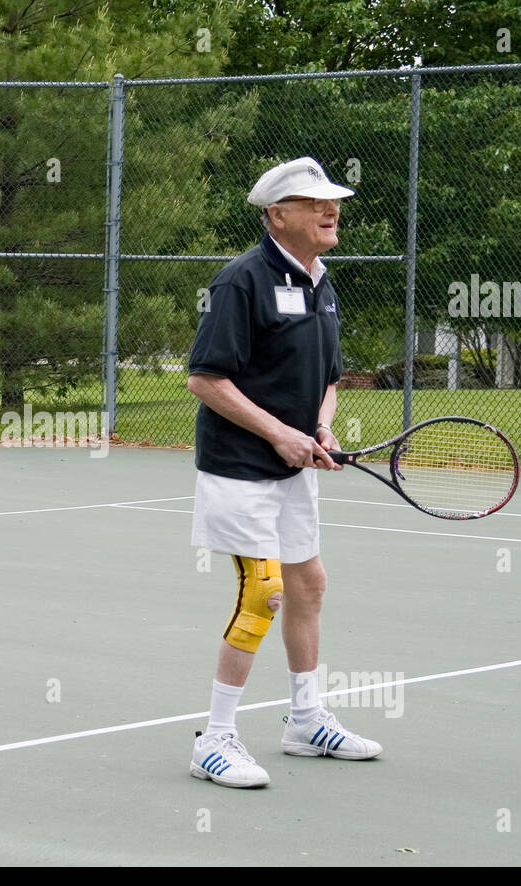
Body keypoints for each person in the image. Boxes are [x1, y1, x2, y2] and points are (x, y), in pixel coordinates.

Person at [186, 156, 382, 789]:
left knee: (309, 587)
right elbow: (205, 379)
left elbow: (327, 379)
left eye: (333, 201)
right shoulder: (241, 281)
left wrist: (320, 427)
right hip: (240, 470)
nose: (331, 210)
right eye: (314, 201)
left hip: (294, 471)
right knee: (262, 593)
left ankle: (305, 721)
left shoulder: (322, 282)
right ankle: (213, 741)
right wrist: (279, 434)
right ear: (277, 215)